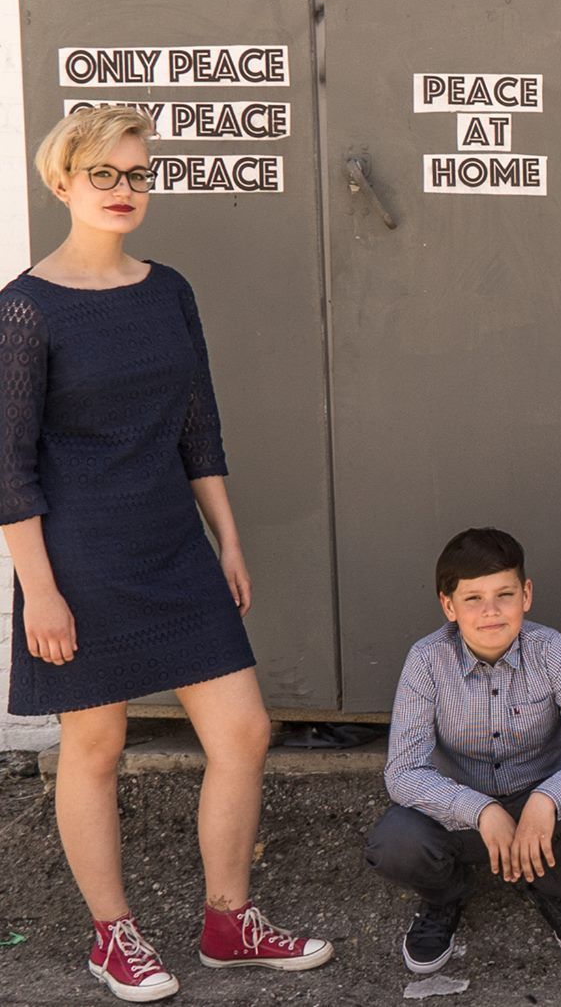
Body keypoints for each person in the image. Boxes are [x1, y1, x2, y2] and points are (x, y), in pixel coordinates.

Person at [1, 106, 332, 1002]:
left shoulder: (167, 289)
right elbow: (8, 468)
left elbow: (198, 426)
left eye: (137, 175)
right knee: (96, 743)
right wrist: (39, 592)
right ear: (62, 182)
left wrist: (228, 539)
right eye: (103, 174)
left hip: (173, 545)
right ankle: (114, 937)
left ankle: (229, 922)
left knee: (244, 730)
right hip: (80, 556)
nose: (124, 190)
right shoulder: (25, 310)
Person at [363, 527, 561, 973]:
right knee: (394, 843)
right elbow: (403, 772)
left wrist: (549, 798)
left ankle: (557, 887)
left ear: (526, 595)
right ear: (448, 606)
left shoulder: (551, 650)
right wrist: (479, 810)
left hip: (544, 811)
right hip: (461, 813)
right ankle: (446, 896)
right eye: (473, 598)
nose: (491, 612)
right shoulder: (427, 660)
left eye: (504, 595)